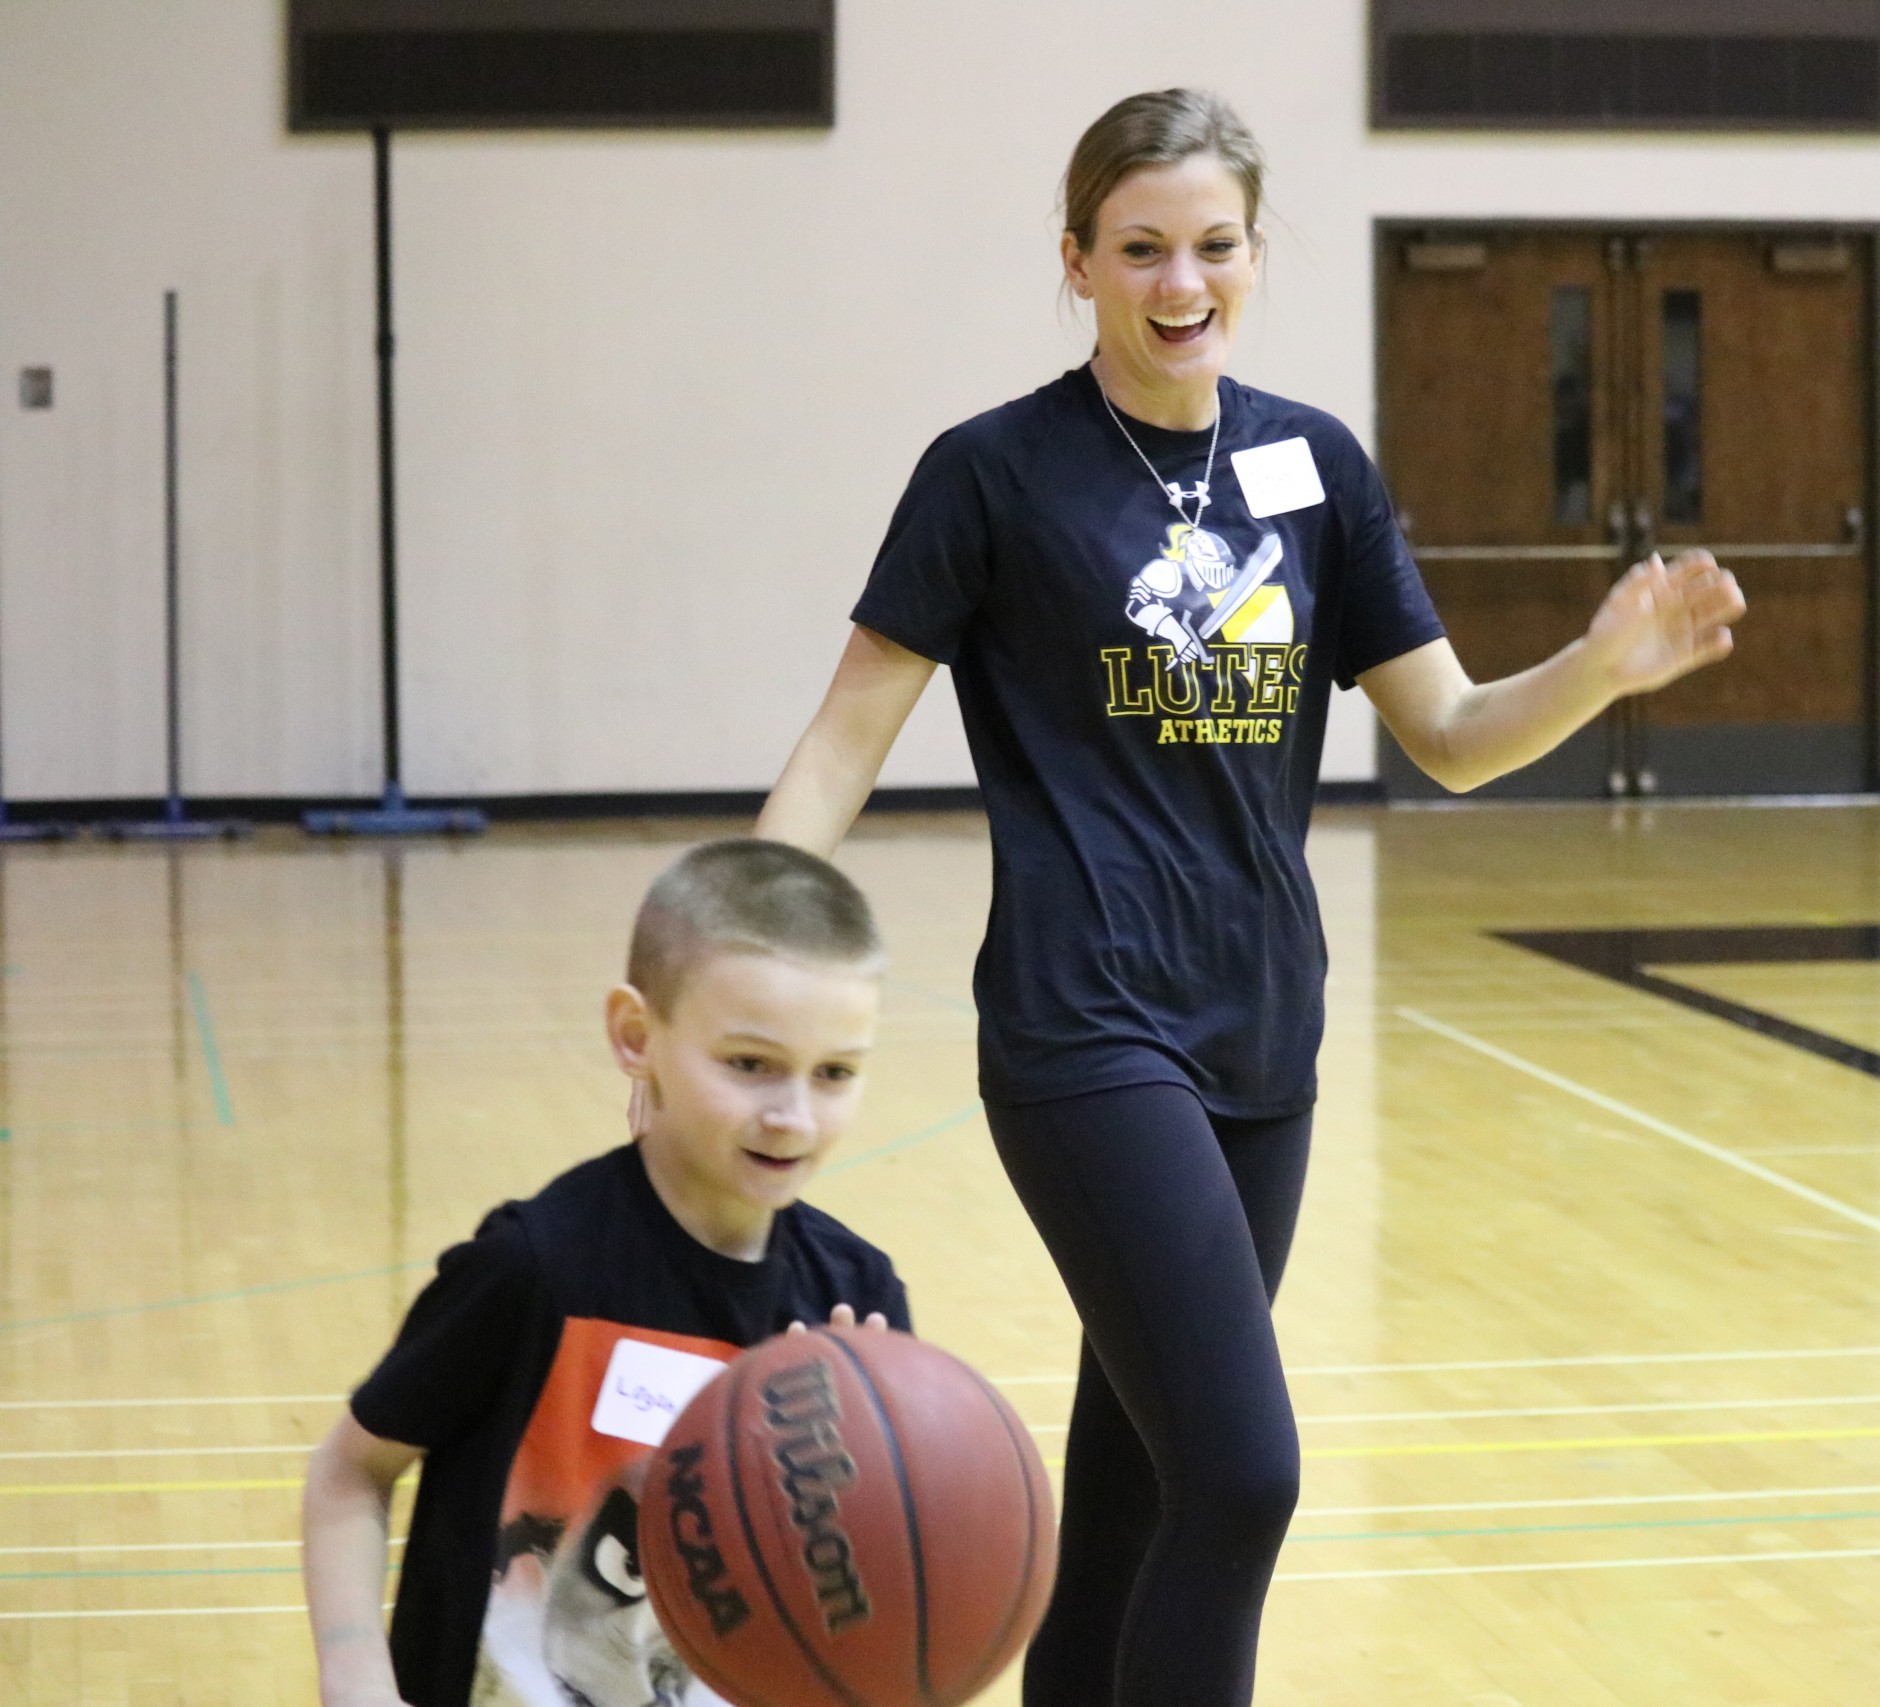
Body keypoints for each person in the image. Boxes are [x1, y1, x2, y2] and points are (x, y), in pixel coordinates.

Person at [757, 88, 1745, 1707]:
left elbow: (1451, 732)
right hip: (1085, 1028)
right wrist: (748, 933)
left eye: (1213, 245)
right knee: (1245, 1472)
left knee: (1147, 1481)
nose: (1180, 281)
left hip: (1265, 1031)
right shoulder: (994, 474)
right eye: (1139, 248)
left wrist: (1599, 665)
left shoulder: (1314, 467)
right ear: (1076, 261)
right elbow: (845, 735)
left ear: (1255, 254)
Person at [301, 839, 912, 1707]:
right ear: (636, 1036)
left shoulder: (859, 1303)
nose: (792, 1114)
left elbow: (857, 1608)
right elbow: (350, 1472)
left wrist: (878, 1470)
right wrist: (357, 1674)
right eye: (749, 1063)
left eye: (836, 1073)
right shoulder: (534, 1267)